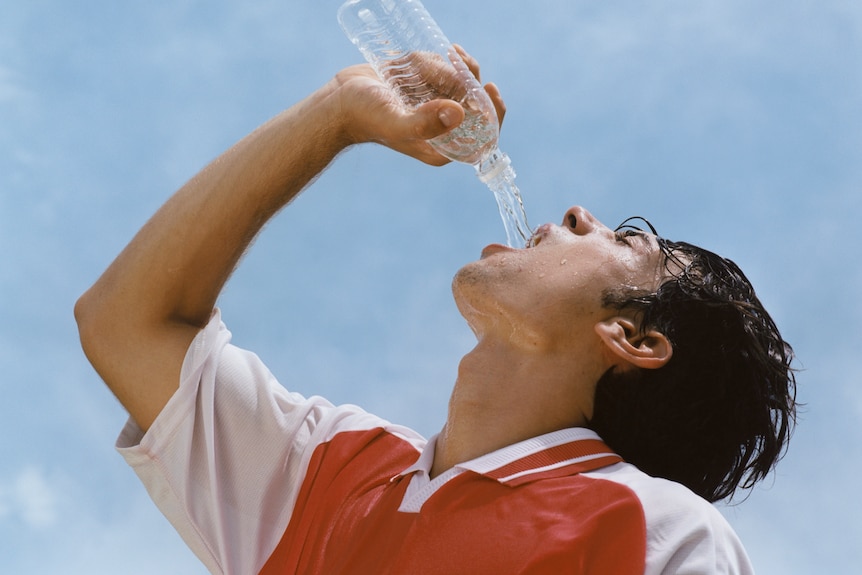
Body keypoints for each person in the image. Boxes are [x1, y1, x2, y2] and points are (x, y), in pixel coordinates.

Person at [75, 50, 797, 574]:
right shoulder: (335, 468)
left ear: (632, 336)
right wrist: (338, 111)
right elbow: (128, 320)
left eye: (627, 239)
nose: (580, 212)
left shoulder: (659, 533)